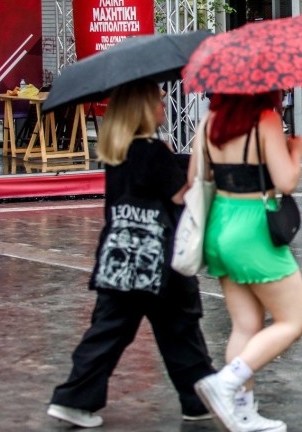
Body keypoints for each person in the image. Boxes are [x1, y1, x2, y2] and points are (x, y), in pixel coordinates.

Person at [48, 80, 216, 429]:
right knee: (180, 328)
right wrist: (199, 160)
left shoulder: (118, 150)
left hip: (119, 257)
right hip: (158, 259)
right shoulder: (152, 152)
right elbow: (179, 195)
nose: (163, 106)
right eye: (157, 101)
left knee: (110, 329)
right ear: (142, 109)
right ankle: (197, 397)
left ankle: (75, 397)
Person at [192, 91, 302, 432]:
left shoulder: (209, 122)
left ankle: (242, 412)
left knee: (246, 325)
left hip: (219, 223)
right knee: (295, 319)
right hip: (253, 228)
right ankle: (225, 383)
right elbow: (286, 181)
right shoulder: (265, 120)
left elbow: (196, 178)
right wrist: (296, 152)